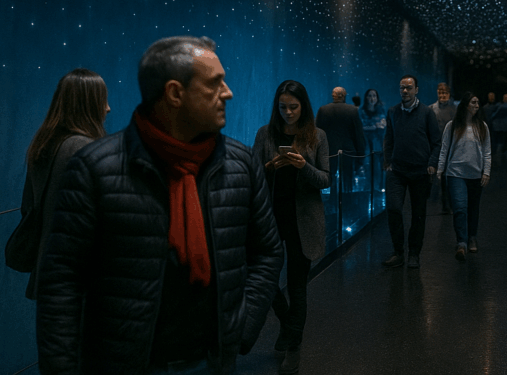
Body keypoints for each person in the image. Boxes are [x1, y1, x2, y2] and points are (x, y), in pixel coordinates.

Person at [36, 36, 282, 374]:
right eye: (214, 83)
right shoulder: (96, 168)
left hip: (213, 362)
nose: (228, 92)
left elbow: (267, 251)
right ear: (175, 94)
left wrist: (241, 326)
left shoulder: (240, 165)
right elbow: (61, 282)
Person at [252, 80, 330, 375]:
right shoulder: (265, 133)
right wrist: (270, 166)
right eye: (283, 107)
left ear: (303, 106)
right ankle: (288, 325)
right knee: (266, 281)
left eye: (293, 107)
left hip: (304, 220)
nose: (288, 112)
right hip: (271, 218)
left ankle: (293, 346)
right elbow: (253, 173)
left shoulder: (316, 135)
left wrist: (302, 166)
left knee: (297, 286)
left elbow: (325, 179)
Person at [16, 69, 109, 300]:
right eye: (103, 100)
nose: (108, 108)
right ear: (88, 104)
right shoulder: (85, 149)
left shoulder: (42, 146)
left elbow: (28, 209)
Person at [382, 75, 442, 269]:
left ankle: (414, 253)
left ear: (416, 89)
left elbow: (436, 141)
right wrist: (387, 161)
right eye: (402, 88)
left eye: (408, 88)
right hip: (397, 170)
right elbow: (388, 138)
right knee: (393, 208)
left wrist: (432, 163)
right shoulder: (392, 112)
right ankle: (398, 252)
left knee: (418, 214)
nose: (405, 91)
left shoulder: (426, 113)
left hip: (419, 171)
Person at [437, 93, 491, 261]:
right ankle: (462, 241)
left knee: (473, 208)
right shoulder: (452, 126)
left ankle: (472, 236)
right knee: (460, 208)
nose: (477, 105)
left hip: (475, 174)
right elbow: (444, 148)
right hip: (455, 173)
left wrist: (486, 171)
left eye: (478, 102)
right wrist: (440, 169)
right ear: (466, 105)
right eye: (473, 102)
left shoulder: (482, 126)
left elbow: (487, 152)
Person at [316, 86, 365, 192]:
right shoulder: (352, 110)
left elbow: (317, 133)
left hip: (329, 151)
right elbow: (358, 134)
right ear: (344, 95)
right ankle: (347, 202)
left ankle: (332, 202)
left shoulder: (323, 110)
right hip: (348, 151)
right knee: (348, 179)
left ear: (333, 95)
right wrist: (361, 155)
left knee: (330, 178)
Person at [429, 82, 459, 214]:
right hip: (436, 147)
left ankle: (449, 203)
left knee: (450, 177)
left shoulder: (455, 109)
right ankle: (444, 204)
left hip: (452, 147)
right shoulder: (432, 109)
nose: (442, 95)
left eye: (445, 93)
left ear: (449, 93)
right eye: (440, 93)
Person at [360, 88, 387, 163]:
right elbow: (362, 126)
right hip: (366, 141)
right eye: (370, 96)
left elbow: (384, 123)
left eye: (374, 96)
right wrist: (375, 126)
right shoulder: (362, 111)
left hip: (379, 141)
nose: (372, 98)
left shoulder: (381, 109)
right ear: (366, 97)